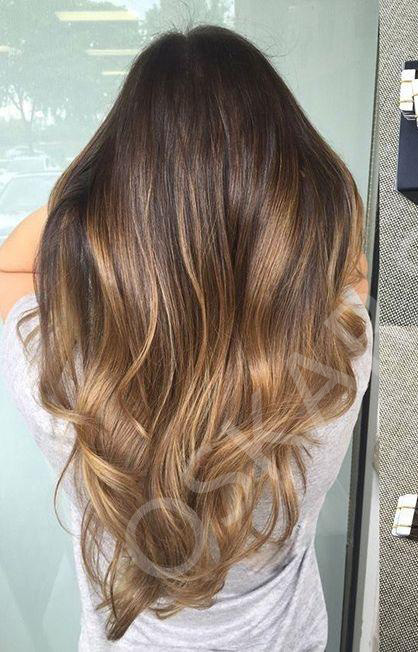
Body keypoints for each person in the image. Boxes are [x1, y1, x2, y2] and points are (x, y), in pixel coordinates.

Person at [0, 25, 371, 651]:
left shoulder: (62, 379)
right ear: (292, 199)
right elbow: (348, 265)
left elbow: (12, 267)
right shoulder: (335, 360)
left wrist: (90, 193)